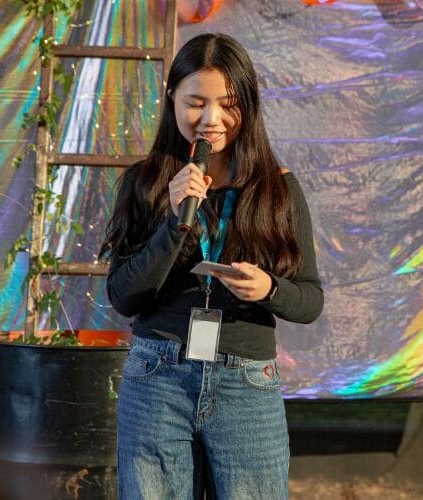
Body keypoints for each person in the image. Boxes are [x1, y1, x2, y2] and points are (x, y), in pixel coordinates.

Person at [99, 33, 323, 499]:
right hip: (157, 377)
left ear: (248, 106)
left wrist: (268, 289)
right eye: (196, 102)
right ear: (172, 100)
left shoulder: (277, 190)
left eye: (227, 104)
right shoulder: (145, 183)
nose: (211, 119)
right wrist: (172, 223)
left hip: (245, 379)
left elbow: (309, 299)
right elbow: (123, 295)